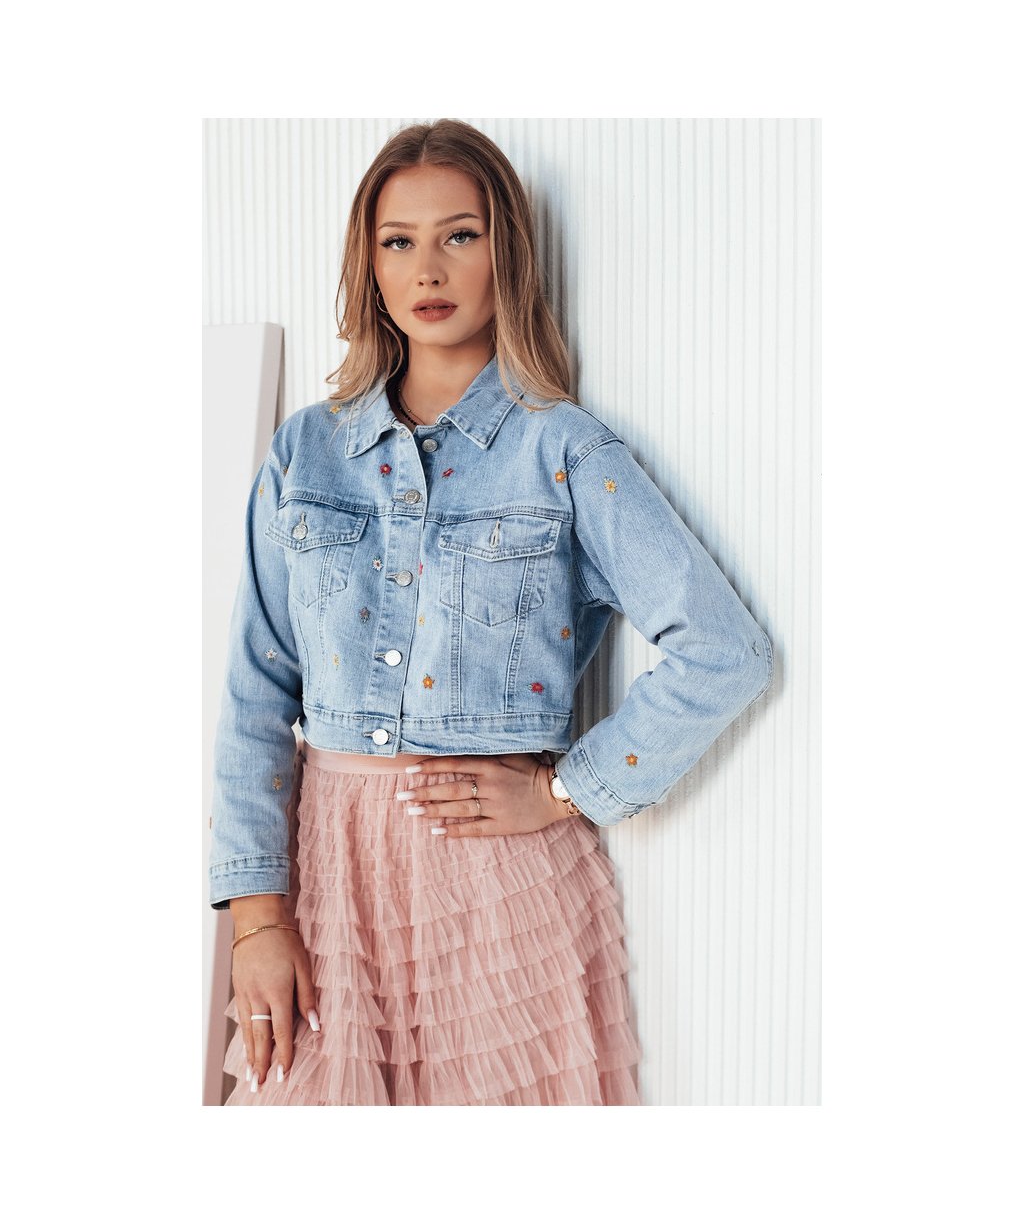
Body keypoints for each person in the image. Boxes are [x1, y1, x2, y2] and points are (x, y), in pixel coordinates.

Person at [208, 118, 774, 1105]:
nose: (428, 268)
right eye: (398, 240)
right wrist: (256, 917)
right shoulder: (306, 452)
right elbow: (256, 691)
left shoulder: (563, 450)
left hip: (496, 890)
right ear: (369, 264)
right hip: (327, 873)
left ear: (504, 251)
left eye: (459, 235)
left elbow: (725, 651)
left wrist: (567, 791)